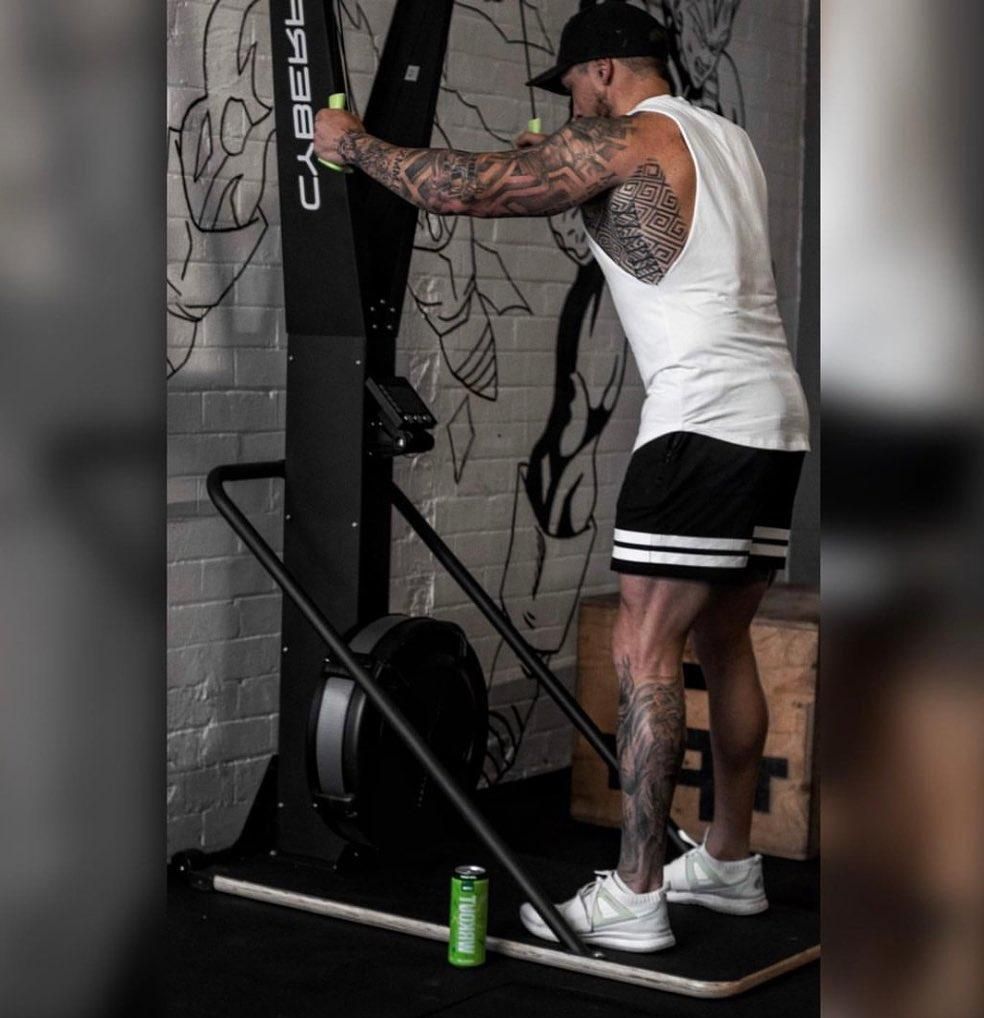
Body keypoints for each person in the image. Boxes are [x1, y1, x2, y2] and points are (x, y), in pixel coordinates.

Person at [314, 0, 810, 952]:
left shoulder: (631, 136)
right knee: (725, 640)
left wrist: (357, 143)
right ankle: (732, 859)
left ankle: (634, 893)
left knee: (646, 640)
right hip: (770, 419)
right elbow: (656, 249)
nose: (572, 104)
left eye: (576, 85)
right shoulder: (720, 141)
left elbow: (465, 188)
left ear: (609, 71)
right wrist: (563, 178)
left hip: (700, 419)